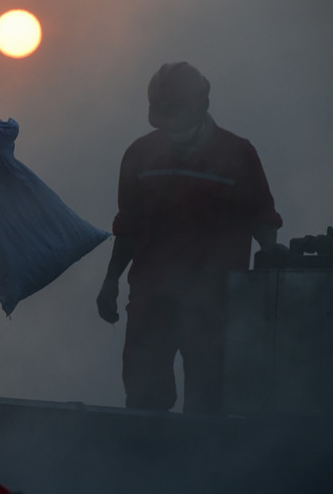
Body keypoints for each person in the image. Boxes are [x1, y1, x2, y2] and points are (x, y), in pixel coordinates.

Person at [96, 61, 285, 415]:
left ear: (201, 105)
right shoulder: (140, 155)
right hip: (152, 298)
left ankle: (203, 468)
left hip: (215, 301)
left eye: (177, 114)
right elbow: (128, 226)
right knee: (144, 401)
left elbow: (261, 215)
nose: (171, 125)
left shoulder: (238, 154)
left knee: (208, 402)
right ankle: (148, 461)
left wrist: (272, 252)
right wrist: (111, 281)